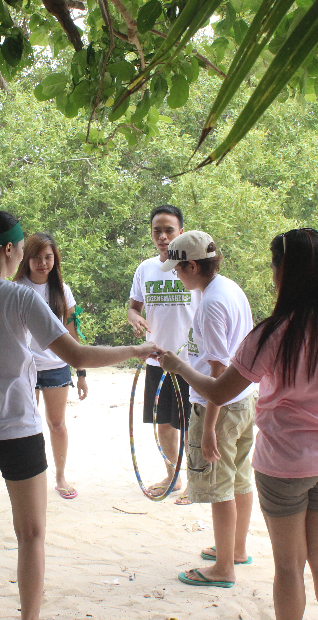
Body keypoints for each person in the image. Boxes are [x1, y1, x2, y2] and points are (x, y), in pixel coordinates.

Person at [0, 210, 158, 620]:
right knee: (32, 534)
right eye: (22, 249)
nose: (24, 256)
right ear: (8, 250)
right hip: (18, 431)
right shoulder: (20, 298)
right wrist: (135, 350)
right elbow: (76, 354)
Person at [158, 228, 318, 619]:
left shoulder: (271, 333)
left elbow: (219, 391)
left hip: (284, 465)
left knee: (289, 565)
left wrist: (180, 366)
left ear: (284, 272)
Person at [159, 230, 258, 588]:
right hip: (244, 401)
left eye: (177, 269)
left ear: (192, 265)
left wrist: (210, 427)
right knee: (239, 477)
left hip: (220, 407)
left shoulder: (212, 303)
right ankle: (236, 549)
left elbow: (218, 371)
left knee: (219, 487)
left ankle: (223, 568)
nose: (176, 275)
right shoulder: (227, 288)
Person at [128, 204, 200, 499]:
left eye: (169, 230)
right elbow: (134, 307)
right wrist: (134, 318)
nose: (162, 236)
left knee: (193, 426)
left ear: (181, 232)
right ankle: (173, 477)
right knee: (164, 425)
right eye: (157, 230)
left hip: (191, 363)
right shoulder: (145, 269)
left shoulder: (194, 268)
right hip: (157, 360)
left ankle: (195, 482)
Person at [13, 232, 87, 500]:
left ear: (55, 259)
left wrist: (81, 372)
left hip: (56, 365)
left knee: (57, 424)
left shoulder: (62, 290)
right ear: (26, 258)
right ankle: (30, 477)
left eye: (48, 257)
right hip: (25, 367)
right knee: (27, 426)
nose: (43, 263)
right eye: (37, 257)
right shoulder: (16, 288)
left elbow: (72, 332)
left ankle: (60, 476)